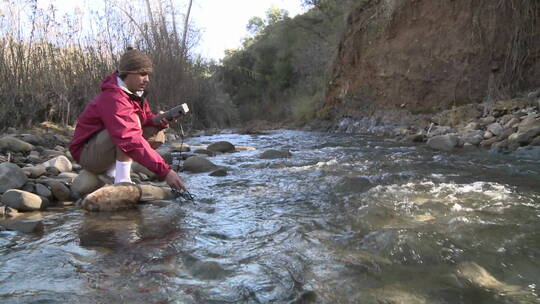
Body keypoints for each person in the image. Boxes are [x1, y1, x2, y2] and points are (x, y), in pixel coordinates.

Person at [69, 48, 187, 191]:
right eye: (142, 74)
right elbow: (129, 137)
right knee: (129, 129)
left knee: (157, 134)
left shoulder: (135, 94)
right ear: (127, 73)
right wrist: (165, 172)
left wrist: (158, 121)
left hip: (102, 149)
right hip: (86, 154)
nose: (147, 79)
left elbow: (145, 119)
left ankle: (113, 170)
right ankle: (122, 179)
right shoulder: (114, 97)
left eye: (148, 75)